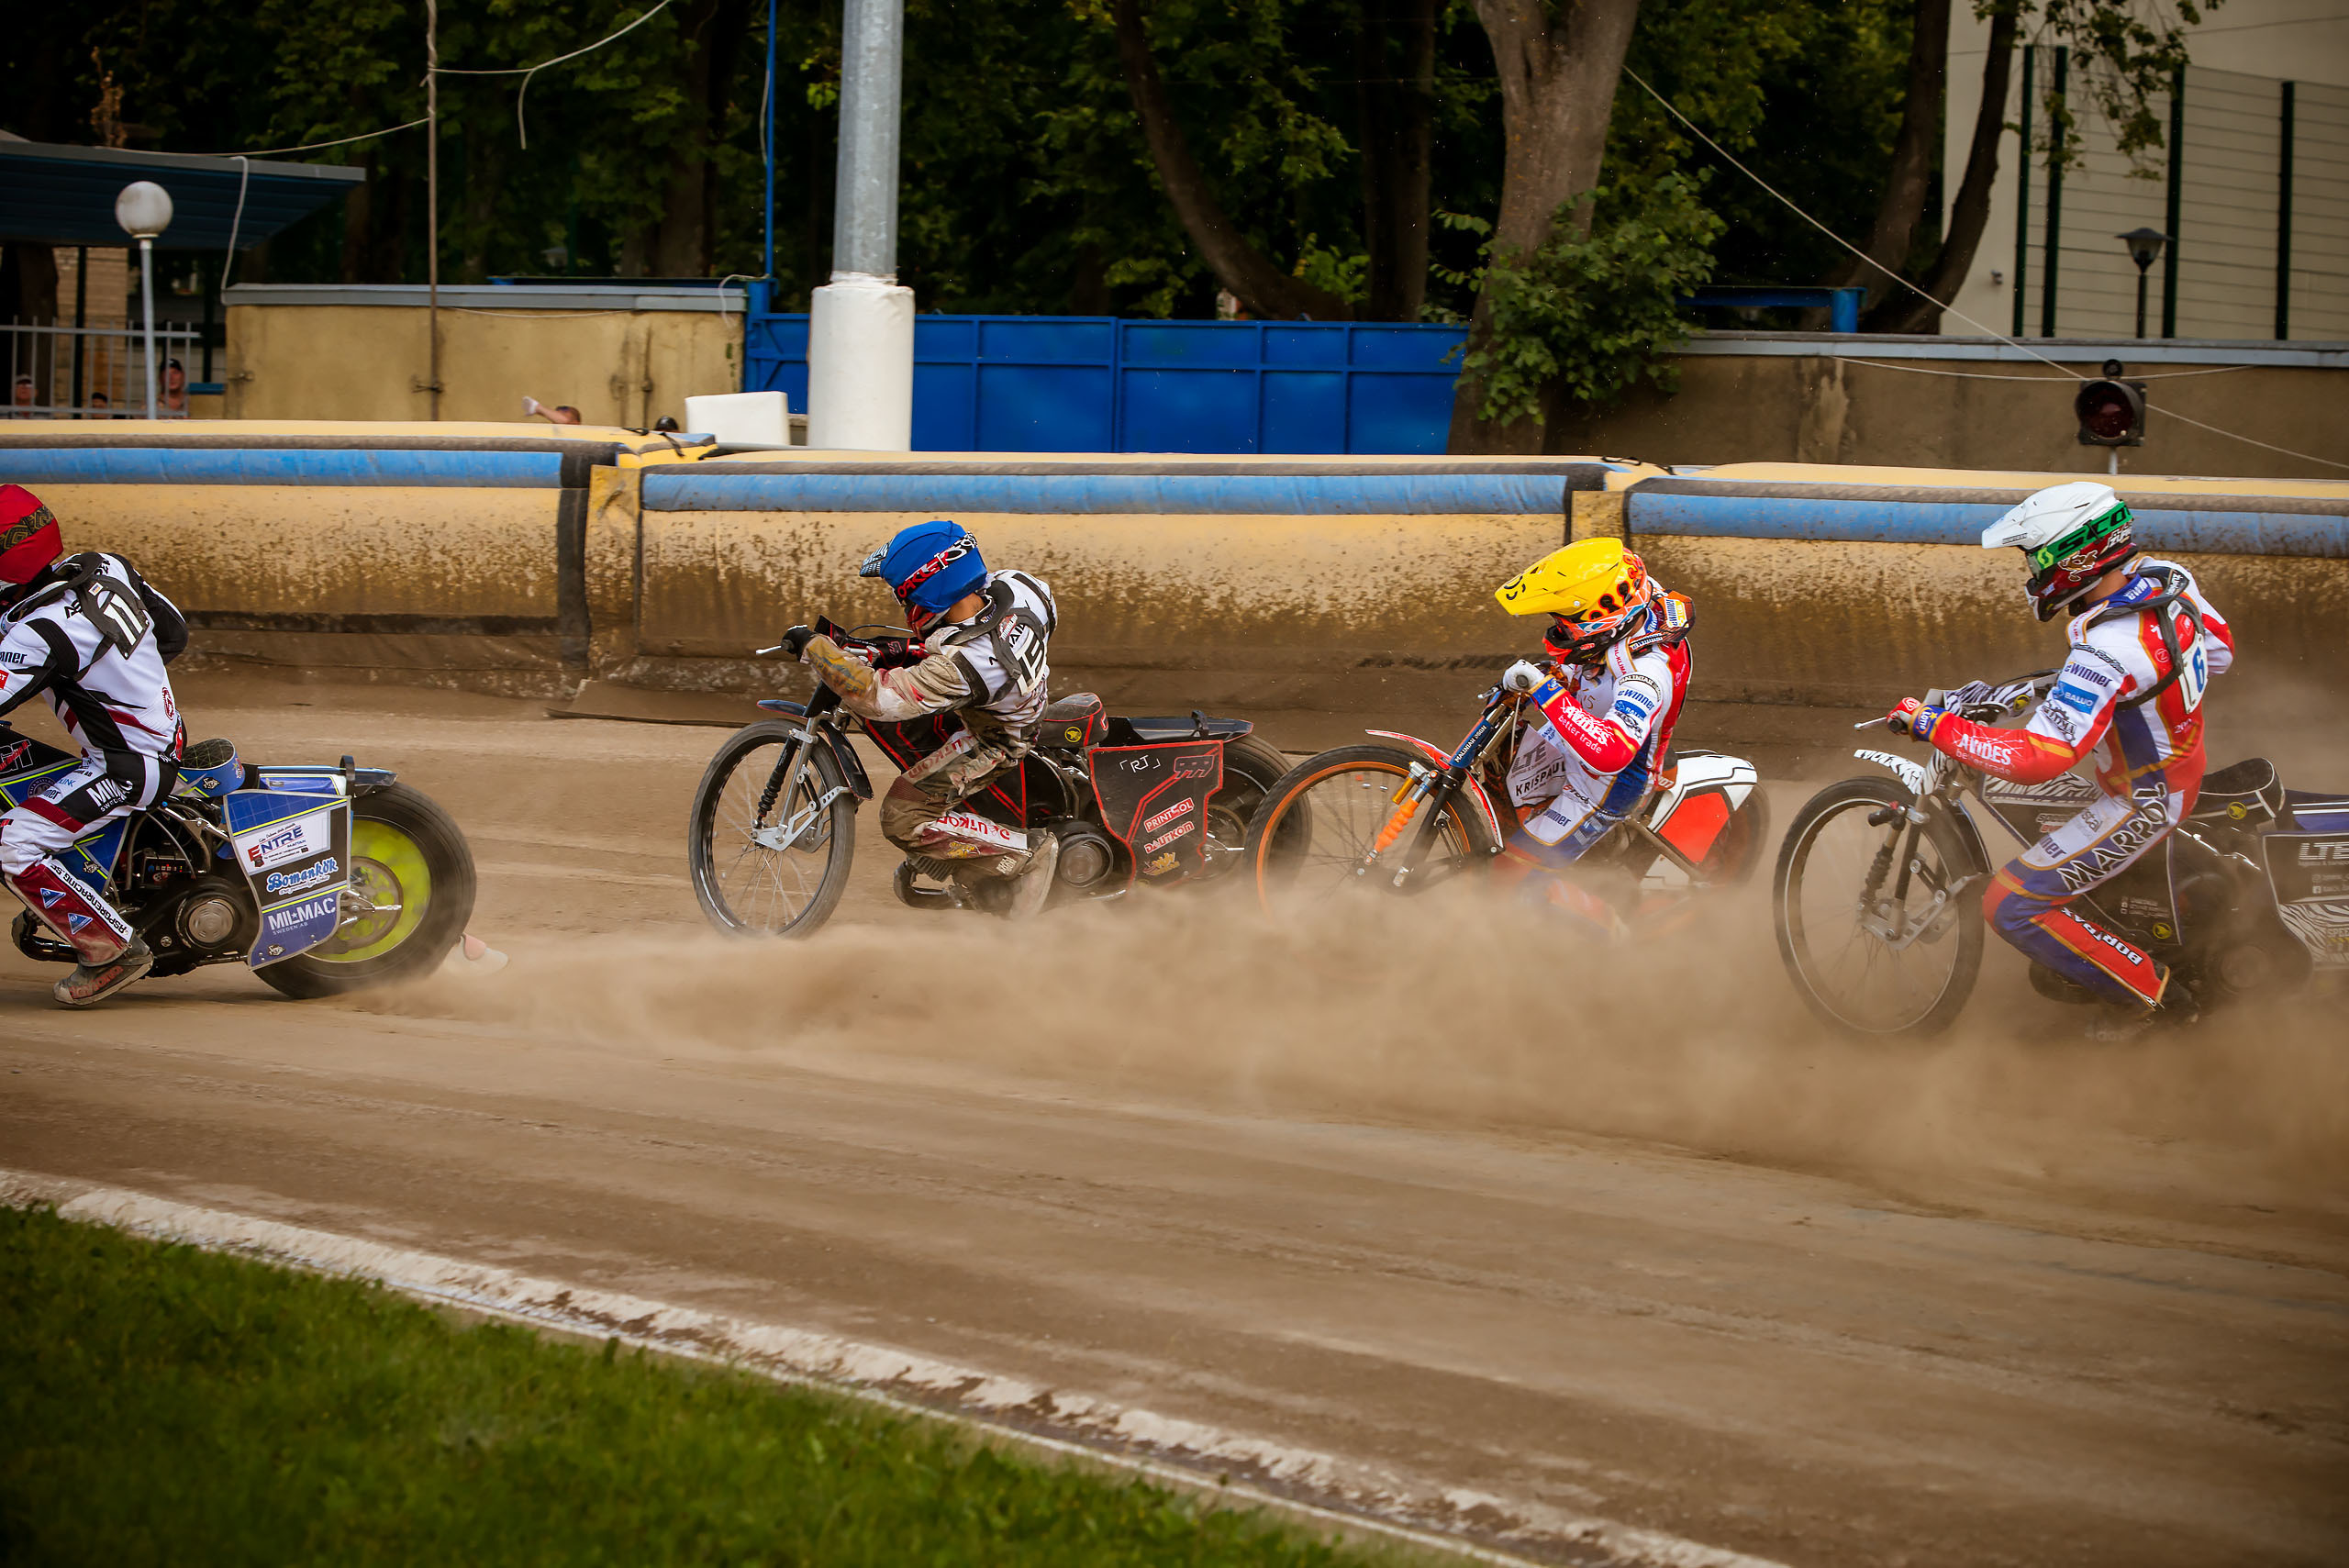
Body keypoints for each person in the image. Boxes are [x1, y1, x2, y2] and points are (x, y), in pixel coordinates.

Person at [1884, 480, 2234, 1038]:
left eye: (2034, 558)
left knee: (2008, 905)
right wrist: (2125, 702)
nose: (2030, 574)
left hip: (2143, 798)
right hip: (2177, 760)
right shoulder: (2170, 582)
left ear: (2073, 556)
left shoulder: (2107, 648)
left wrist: (1936, 726)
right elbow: (2218, 654)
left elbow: (2039, 757)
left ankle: (2160, 1003)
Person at [776, 521, 1063, 917]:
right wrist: (909, 649)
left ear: (927, 597)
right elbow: (989, 628)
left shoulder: (965, 666)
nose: (904, 608)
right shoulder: (1020, 586)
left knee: (902, 815)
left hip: (997, 739)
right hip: (1016, 698)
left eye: (903, 598)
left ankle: (1026, 854)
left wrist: (816, 648)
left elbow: (877, 700)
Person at [0, 484, 190, 1006]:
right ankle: (83, 886)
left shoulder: (38, 631)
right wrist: (122, 680)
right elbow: (173, 634)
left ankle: (112, 950)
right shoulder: (104, 566)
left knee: (10, 841)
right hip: (162, 733)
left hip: (127, 765)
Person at [1486, 539, 1694, 936]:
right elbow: (1592, 666)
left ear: (1603, 619)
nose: (1559, 626)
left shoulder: (1649, 672)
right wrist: (1560, 677)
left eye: (1569, 618)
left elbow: (1611, 753)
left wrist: (1545, 689)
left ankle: (1617, 936)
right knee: (1498, 765)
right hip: (1581, 728)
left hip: (1605, 783)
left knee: (1505, 881)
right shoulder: (1635, 608)